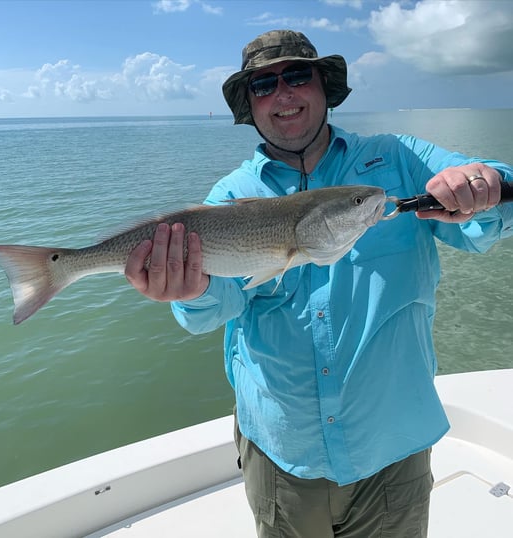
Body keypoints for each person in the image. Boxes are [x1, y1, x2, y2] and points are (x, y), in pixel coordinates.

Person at [125, 30, 513, 538]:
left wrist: (488, 185)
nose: (283, 94)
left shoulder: (397, 161)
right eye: (263, 84)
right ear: (251, 104)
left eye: (297, 76)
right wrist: (187, 291)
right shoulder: (230, 196)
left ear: (324, 86)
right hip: (284, 458)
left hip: (392, 450)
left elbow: (488, 216)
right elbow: (214, 307)